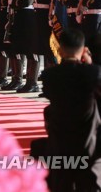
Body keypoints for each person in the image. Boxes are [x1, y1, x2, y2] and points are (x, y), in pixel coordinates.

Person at [39, 29, 101, 192]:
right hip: (87, 141)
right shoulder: (92, 72)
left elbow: (50, 92)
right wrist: (89, 63)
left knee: (62, 182)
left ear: (59, 50)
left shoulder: (49, 75)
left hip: (60, 139)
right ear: (83, 50)